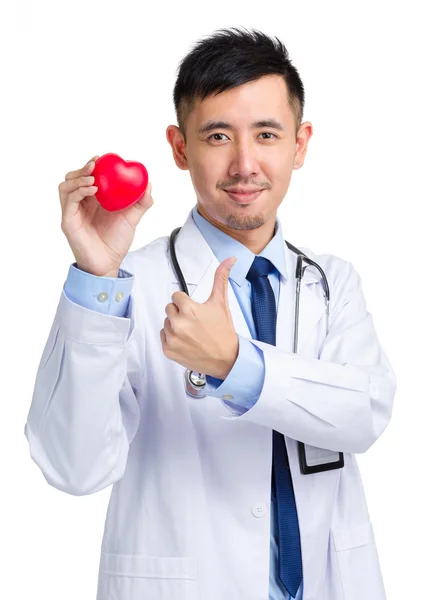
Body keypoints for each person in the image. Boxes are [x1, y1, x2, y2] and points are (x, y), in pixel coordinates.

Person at [24, 26, 397, 600]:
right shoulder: (131, 286)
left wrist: (234, 363)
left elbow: (363, 412)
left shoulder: (331, 283)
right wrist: (98, 280)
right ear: (179, 148)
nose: (244, 164)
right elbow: (74, 469)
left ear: (300, 145)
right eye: (218, 135)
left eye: (267, 134)